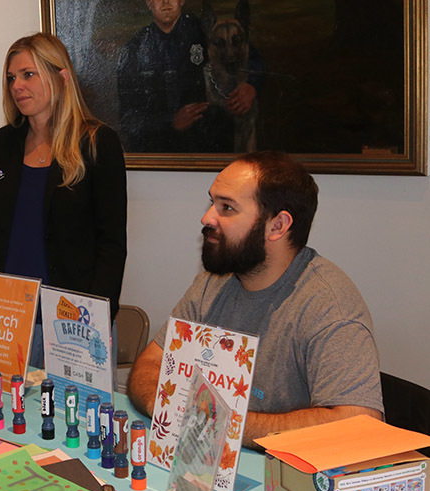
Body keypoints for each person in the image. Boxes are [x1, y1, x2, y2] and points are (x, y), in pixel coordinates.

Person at [127, 151, 383, 451]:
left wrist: (219, 424)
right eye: (212, 202)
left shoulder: (328, 304)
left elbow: (360, 423)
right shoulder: (215, 281)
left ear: (277, 226)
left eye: (227, 207)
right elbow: (151, 363)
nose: (207, 217)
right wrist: (172, 409)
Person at [0, 33, 127, 365]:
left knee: (76, 417)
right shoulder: (2, 144)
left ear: (61, 77)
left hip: (72, 323)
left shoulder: (97, 143)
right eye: (11, 78)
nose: (16, 86)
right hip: (5, 319)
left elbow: (111, 243)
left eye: (28, 74)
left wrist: (98, 318)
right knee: (0, 415)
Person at [116, 0, 257, 152]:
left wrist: (253, 86)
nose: (165, 2)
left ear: (182, 1)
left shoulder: (204, 32)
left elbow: (252, 58)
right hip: (156, 150)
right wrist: (171, 121)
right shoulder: (135, 48)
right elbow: (128, 119)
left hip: (205, 144)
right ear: (149, 3)